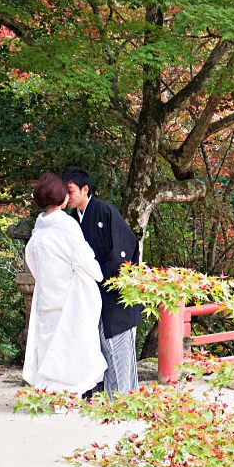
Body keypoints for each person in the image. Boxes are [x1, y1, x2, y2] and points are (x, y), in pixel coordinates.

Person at [23, 173, 107, 394]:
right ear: (61, 198)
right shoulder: (65, 224)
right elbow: (84, 258)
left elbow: (31, 261)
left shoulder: (39, 228)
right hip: (70, 295)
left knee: (50, 345)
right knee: (71, 346)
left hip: (47, 294)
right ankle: (66, 396)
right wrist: (98, 275)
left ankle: (49, 393)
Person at [63, 168, 142, 394]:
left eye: (70, 191)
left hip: (116, 293)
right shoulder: (71, 221)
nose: (67, 197)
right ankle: (109, 398)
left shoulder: (106, 212)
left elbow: (125, 251)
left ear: (85, 189)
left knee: (121, 350)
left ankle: (124, 400)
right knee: (100, 349)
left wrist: (101, 275)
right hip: (90, 292)